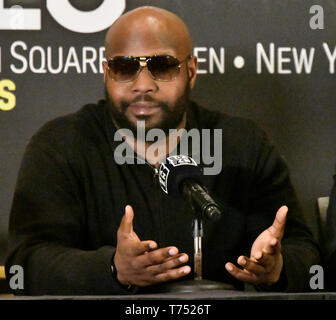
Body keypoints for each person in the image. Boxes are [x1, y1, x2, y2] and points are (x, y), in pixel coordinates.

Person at [5, 6, 320, 295]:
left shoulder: (242, 144)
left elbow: (306, 258)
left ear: (191, 71)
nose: (143, 84)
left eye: (162, 65)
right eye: (125, 67)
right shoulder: (61, 144)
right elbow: (24, 266)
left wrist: (278, 268)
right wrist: (114, 269)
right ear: (105, 72)